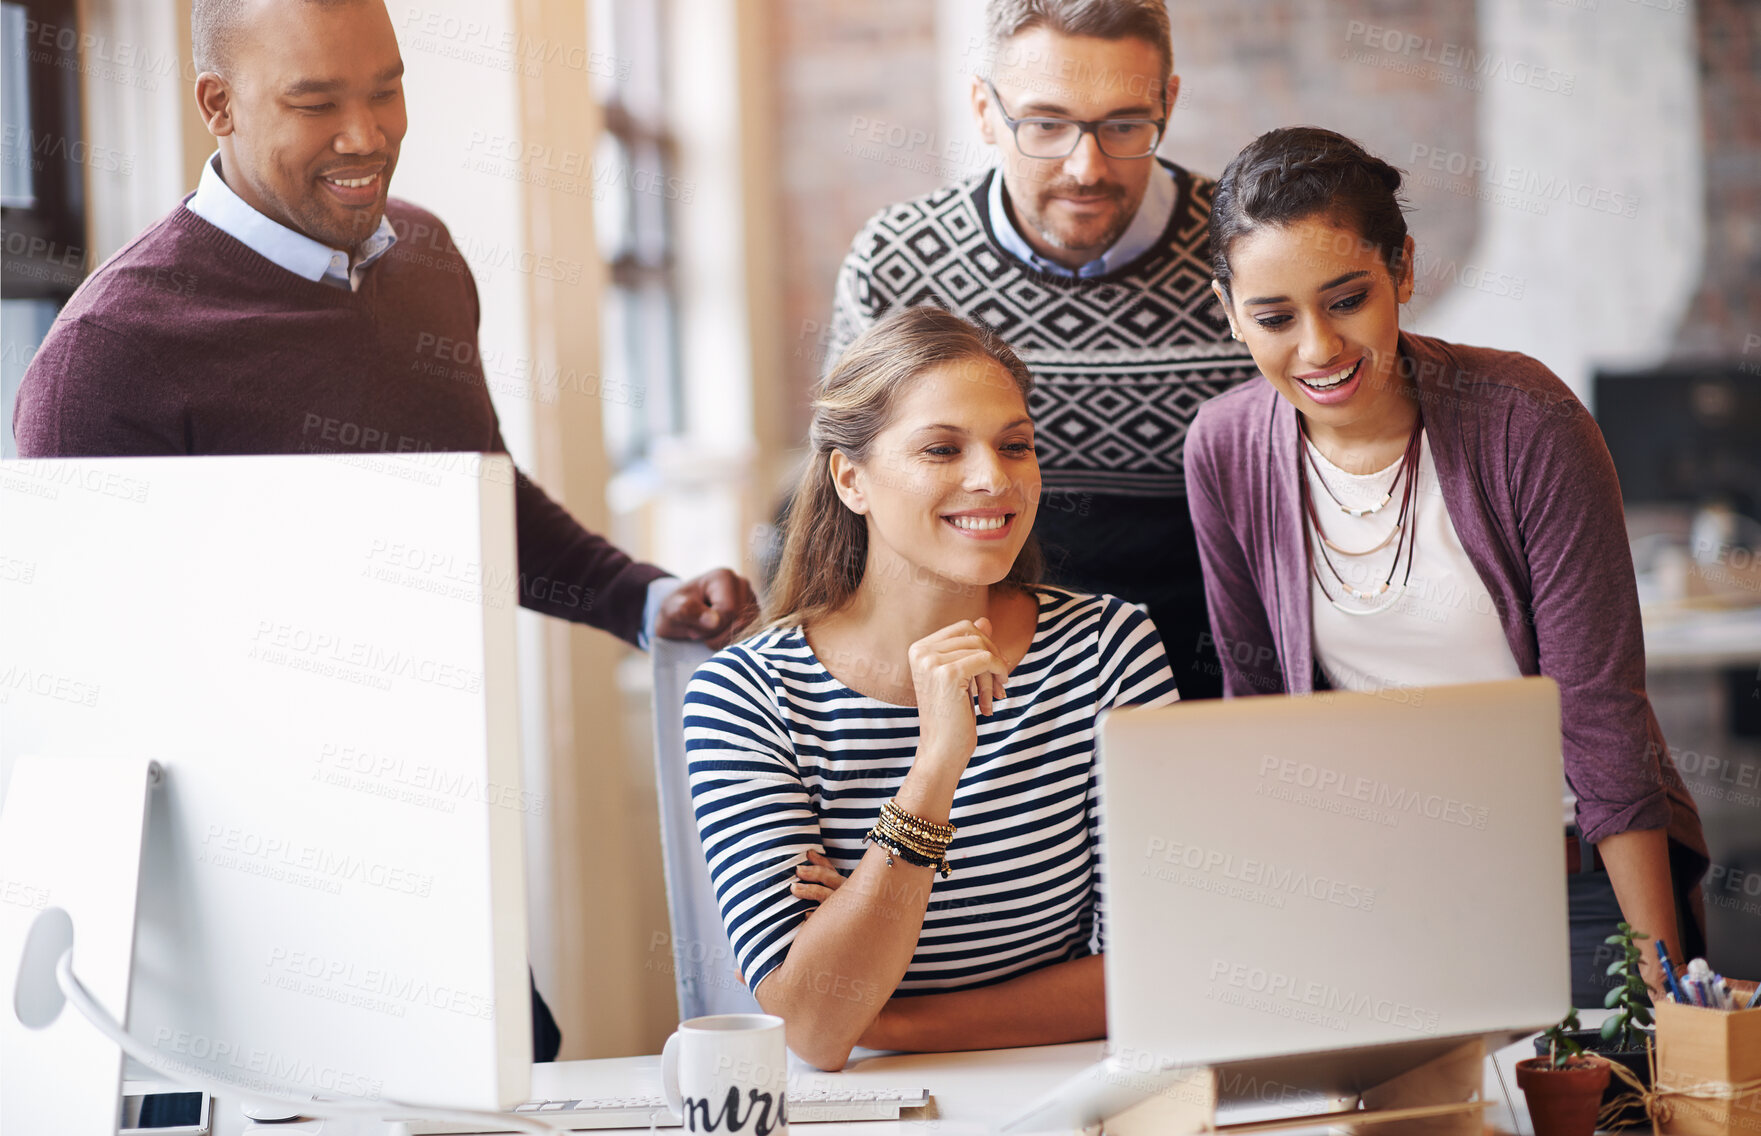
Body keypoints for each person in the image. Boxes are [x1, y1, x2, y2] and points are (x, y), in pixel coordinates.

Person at [10, 0, 756, 1059]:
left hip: (448, 864)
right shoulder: (108, 355)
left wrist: (640, 598)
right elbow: (74, 710)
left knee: (524, 1078)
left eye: (386, 87)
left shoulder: (428, 260)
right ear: (215, 105)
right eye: (315, 102)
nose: (366, 134)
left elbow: (475, 492)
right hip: (245, 944)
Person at [1184, 126, 1708, 1004]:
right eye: (1273, 317)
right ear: (1228, 310)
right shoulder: (1224, 449)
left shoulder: (1525, 422)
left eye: (1346, 299)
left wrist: (1661, 985)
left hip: (1573, 886)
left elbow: (1601, 714)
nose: (1316, 348)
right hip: (1370, 899)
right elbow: (1259, 711)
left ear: (1403, 270)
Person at [684, 306, 1178, 1071]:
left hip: (1060, 1094)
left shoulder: (1108, 648)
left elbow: (1157, 976)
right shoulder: (745, 696)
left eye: (1015, 446)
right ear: (851, 478)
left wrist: (884, 1017)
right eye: (941, 448)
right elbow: (815, 1023)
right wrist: (934, 769)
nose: (993, 478)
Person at [823, 0, 1258, 699]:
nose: (1085, 168)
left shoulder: (1244, 254)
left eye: (1123, 125)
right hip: (963, 677)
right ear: (984, 110)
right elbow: (846, 501)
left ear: (1167, 104)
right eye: (1046, 125)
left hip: (1204, 682)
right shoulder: (898, 263)